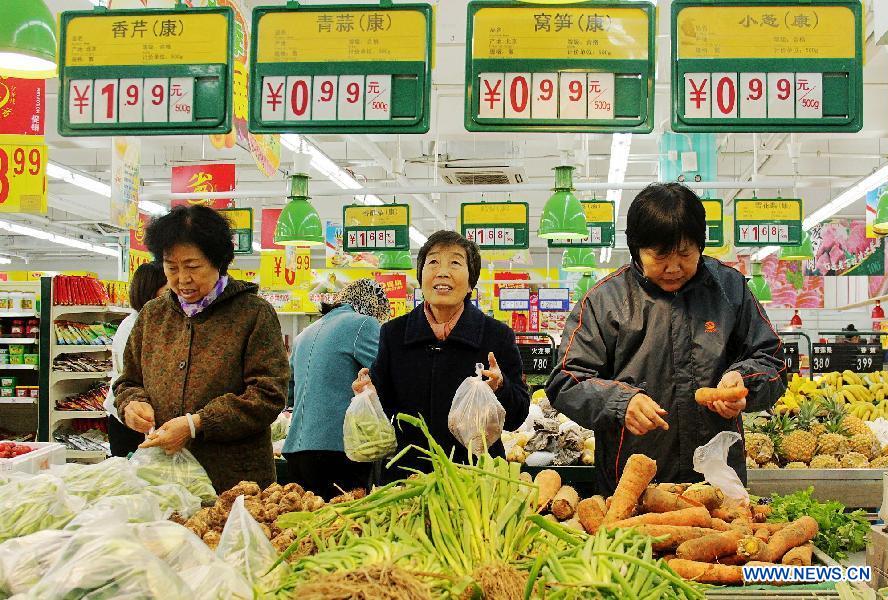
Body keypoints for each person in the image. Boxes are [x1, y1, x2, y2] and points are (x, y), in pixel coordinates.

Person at [546, 183, 786, 495]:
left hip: (717, 480)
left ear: (700, 245)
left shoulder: (729, 289)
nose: (673, 267)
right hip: (631, 483)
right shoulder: (605, 301)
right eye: (659, 256)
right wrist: (620, 402)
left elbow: (772, 361)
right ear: (636, 249)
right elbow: (566, 380)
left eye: (685, 254)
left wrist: (745, 381)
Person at [114, 205, 290, 492]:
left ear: (218, 261)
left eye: (192, 266)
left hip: (234, 481)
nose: (182, 279)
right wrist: (131, 404)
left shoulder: (253, 314)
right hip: (163, 480)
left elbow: (268, 393)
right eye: (171, 267)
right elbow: (128, 382)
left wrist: (198, 424)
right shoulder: (153, 315)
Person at [353, 230, 530, 479]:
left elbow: (516, 417)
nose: (442, 271)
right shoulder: (394, 334)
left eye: (455, 263)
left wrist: (501, 387)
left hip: (476, 480)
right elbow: (386, 409)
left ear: (470, 283)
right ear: (421, 276)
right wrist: (369, 394)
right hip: (409, 479)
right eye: (433, 262)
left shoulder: (497, 336)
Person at [282, 279, 390, 497]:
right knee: (342, 524)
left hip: (296, 450)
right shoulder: (363, 324)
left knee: (307, 523)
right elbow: (388, 374)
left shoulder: (304, 334)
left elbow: (290, 394)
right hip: (339, 450)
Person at [104, 261, 168, 457]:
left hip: (138, 414)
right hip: (130, 417)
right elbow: (132, 376)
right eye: (167, 291)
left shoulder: (151, 321)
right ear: (149, 291)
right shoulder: (135, 325)